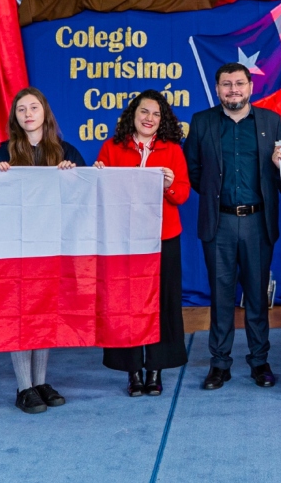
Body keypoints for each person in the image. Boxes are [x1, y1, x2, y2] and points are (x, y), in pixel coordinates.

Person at [184, 62, 281, 390]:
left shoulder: (271, 122)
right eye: (226, 84)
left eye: (239, 83)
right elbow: (194, 171)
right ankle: (220, 364)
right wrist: (220, 197)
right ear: (217, 90)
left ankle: (260, 362)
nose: (233, 90)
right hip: (220, 222)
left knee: (257, 296)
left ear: (250, 88)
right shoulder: (202, 123)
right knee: (222, 295)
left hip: (259, 221)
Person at [0, 87, 85, 414]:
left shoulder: (67, 151)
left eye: (33, 107)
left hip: (53, 248)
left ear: (45, 112)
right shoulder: (2, 155)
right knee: (20, 314)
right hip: (16, 249)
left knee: (45, 313)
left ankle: (40, 381)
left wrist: (76, 177)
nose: (28, 113)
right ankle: (24, 386)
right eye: (21, 109)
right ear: (15, 118)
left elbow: (84, 198)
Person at [93, 90, 190, 397]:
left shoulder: (172, 149)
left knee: (162, 304)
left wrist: (168, 186)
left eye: (156, 114)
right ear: (132, 116)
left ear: (163, 121)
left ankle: (155, 369)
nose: (149, 118)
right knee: (126, 304)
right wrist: (99, 177)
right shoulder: (111, 147)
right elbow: (100, 194)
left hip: (163, 239)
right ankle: (133, 371)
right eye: (144, 112)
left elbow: (183, 194)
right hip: (125, 240)